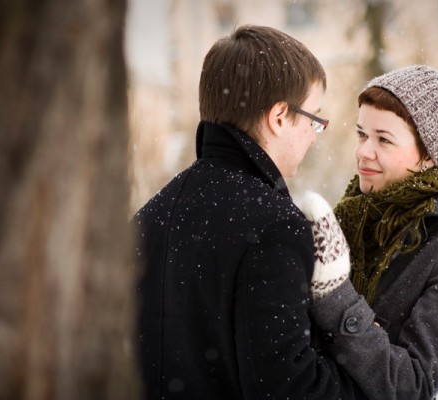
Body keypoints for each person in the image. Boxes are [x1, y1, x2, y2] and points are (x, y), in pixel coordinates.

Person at [132, 25, 368, 399]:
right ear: (279, 117)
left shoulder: (147, 217)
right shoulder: (274, 226)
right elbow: (289, 387)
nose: (313, 135)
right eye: (313, 119)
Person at [297, 65, 438, 400]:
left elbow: (413, 388)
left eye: (383, 140)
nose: (363, 151)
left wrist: (336, 298)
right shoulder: (349, 220)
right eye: (361, 134)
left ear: (430, 156)